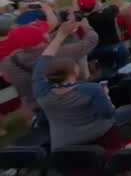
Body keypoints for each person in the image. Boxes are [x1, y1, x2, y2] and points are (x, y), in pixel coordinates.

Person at [31, 21, 125, 151]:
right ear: (74, 72)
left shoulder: (42, 92)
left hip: (65, 143)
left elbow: (42, 63)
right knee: (118, 163)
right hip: (100, 136)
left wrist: (60, 36)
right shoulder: (92, 89)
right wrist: (107, 98)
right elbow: (108, 113)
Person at [2, 18, 98, 124]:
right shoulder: (60, 53)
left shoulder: (8, 62)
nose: (47, 33)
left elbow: (34, 46)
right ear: (43, 38)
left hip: (35, 105)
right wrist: (86, 26)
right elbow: (92, 40)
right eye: (43, 33)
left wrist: (61, 34)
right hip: (64, 100)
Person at [79, 0, 130, 71]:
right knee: (124, 69)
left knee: (106, 70)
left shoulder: (84, 19)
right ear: (94, 5)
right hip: (115, 46)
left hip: (99, 49)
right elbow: (124, 7)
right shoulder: (107, 13)